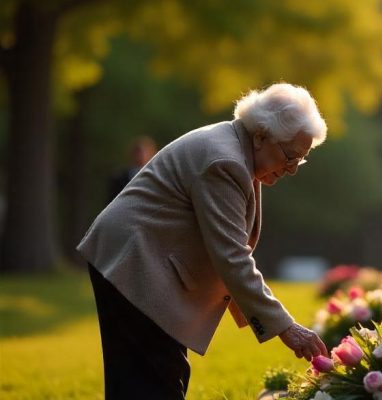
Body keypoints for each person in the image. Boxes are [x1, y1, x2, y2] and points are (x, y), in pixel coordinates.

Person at [77, 83, 329, 398]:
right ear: (262, 135)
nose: (292, 169)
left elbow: (228, 249)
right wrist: (286, 327)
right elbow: (231, 255)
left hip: (139, 257)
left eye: (300, 160)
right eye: (291, 155)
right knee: (152, 379)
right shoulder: (225, 161)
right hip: (134, 259)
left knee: (147, 376)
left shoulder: (240, 151)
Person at [108, 136, 157, 202]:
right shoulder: (118, 178)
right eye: (139, 151)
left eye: (145, 151)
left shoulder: (158, 177)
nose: (142, 155)